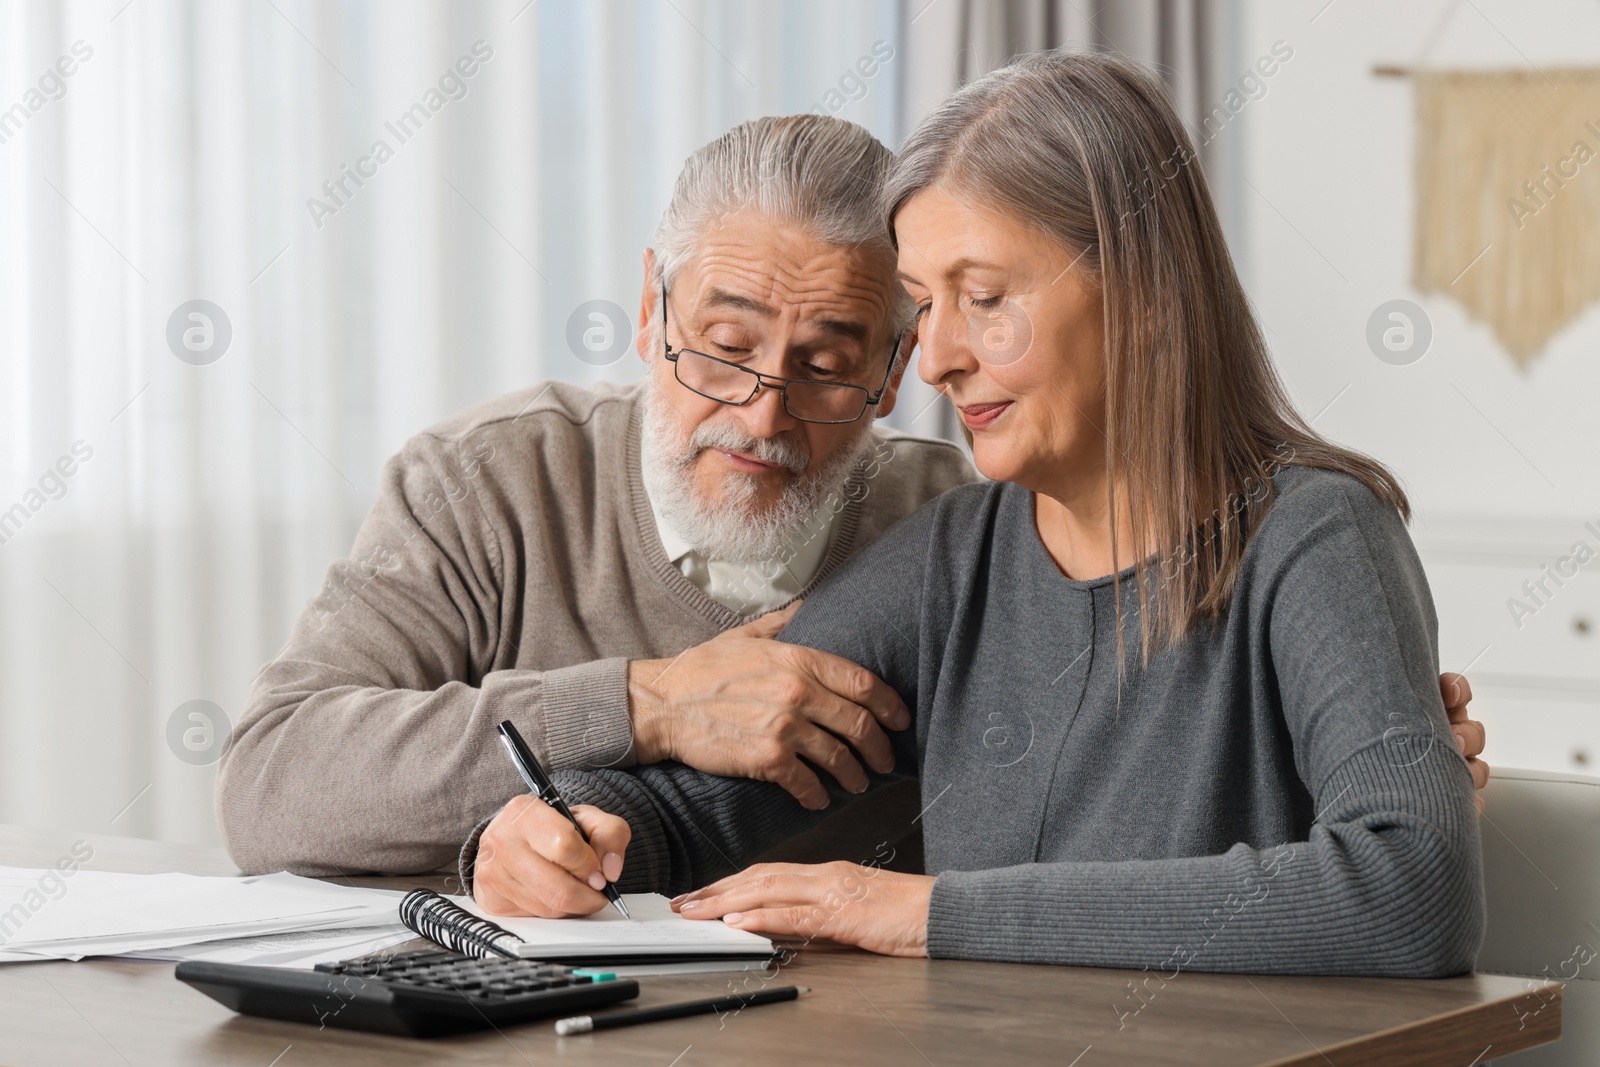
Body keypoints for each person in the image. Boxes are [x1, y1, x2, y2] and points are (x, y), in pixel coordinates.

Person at [462, 52, 1489, 978]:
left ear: (1140, 289)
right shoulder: (952, 558)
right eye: (925, 304)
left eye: (985, 296)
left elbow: (1409, 891)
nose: (942, 358)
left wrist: (926, 912)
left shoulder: (1315, 537)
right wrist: (548, 839)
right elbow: (689, 807)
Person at [215, 116, 978, 875]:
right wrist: (651, 704)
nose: (762, 415)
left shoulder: (950, 522)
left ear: (893, 370)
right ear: (651, 313)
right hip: (530, 988)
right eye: (726, 347)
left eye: (825, 364)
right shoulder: (480, 482)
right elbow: (270, 786)